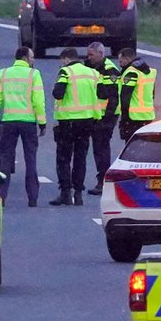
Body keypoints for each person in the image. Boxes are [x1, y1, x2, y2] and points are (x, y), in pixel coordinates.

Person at [0, 46, 46, 207]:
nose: (33, 60)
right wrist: (42, 123)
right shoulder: (34, 74)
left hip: (9, 122)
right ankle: (33, 198)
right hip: (28, 123)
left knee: (5, 160)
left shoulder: (4, 73)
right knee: (31, 160)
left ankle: (2, 196)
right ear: (25, 58)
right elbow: (38, 101)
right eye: (32, 57)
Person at [50, 47, 101, 206]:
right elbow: (103, 93)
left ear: (65, 59)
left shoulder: (65, 72)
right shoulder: (92, 73)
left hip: (68, 122)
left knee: (64, 158)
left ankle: (66, 193)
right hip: (87, 122)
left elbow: (58, 93)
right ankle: (78, 194)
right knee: (81, 158)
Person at [85, 42, 121, 195]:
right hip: (94, 114)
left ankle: (103, 181)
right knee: (97, 148)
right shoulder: (90, 67)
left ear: (101, 54)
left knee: (101, 148)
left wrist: (105, 119)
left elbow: (113, 98)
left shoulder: (109, 70)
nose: (88, 57)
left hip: (106, 116)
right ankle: (102, 180)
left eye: (91, 55)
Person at [118, 47, 157, 141]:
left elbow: (125, 97)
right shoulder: (150, 71)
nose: (120, 64)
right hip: (147, 115)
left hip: (133, 117)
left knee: (131, 146)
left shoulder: (131, 73)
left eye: (121, 61)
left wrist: (124, 118)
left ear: (127, 59)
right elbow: (152, 93)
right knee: (144, 145)